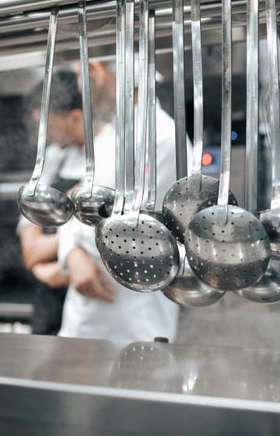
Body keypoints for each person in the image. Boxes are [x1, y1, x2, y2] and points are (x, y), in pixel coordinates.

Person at [55, 61, 188, 343]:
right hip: (82, 317)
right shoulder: (107, 135)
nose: (80, 90)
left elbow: (141, 234)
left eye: (80, 78)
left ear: (97, 72)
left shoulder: (164, 139)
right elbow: (80, 203)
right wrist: (71, 253)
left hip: (136, 323)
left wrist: (78, 246)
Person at [18, 71, 85, 335]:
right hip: (47, 294)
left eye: (50, 125)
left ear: (75, 117)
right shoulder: (54, 157)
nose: (46, 135)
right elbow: (30, 247)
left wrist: (58, 257)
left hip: (84, 292)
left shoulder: (108, 158)